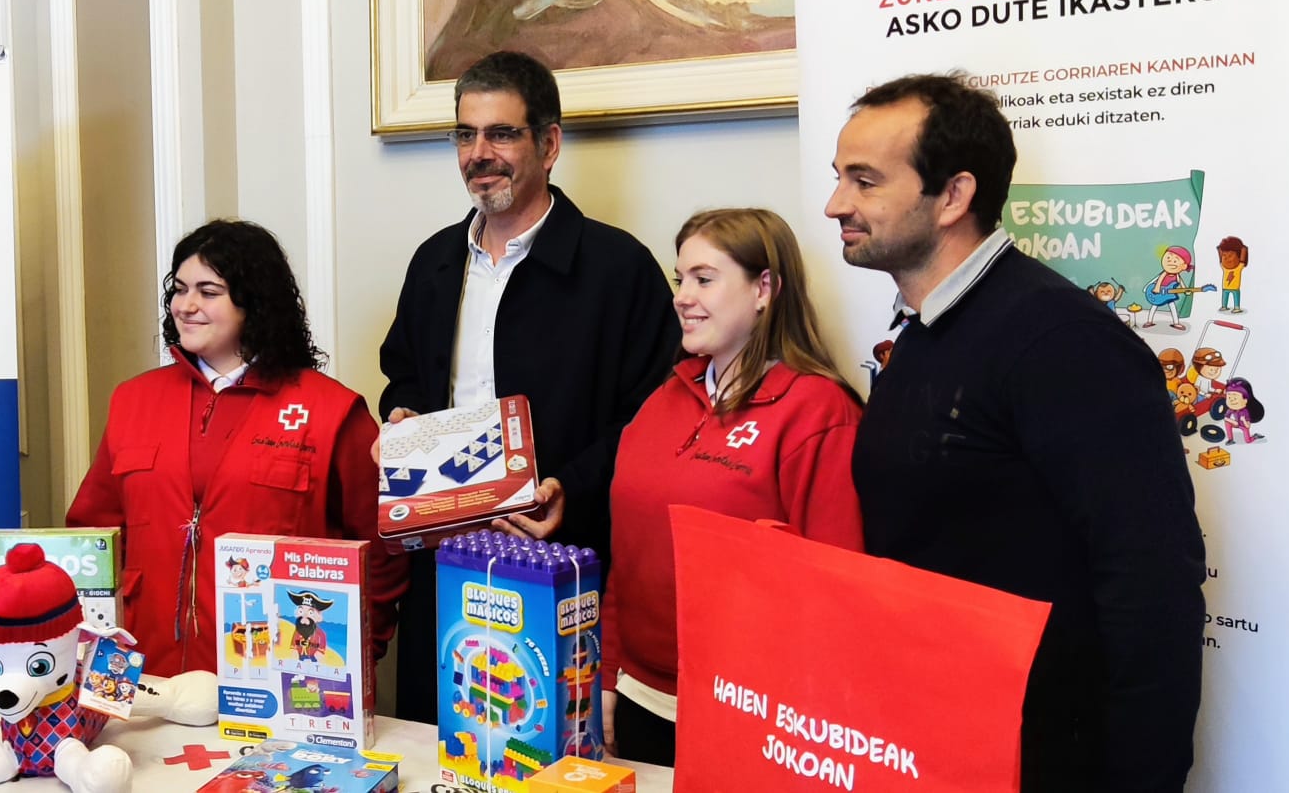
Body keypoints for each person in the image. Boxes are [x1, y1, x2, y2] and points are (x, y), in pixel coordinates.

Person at [824, 72, 1205, 792]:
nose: (836, 203)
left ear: (955, 196)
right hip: (939, 743)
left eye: (865, 181)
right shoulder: (923, 334)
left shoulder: (1063, 342)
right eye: (840, 177)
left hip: (1046, 757)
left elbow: (1152, 586)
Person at [377, 50, 678, 723]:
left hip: (564, 567)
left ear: (548, 144)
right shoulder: (433, 261)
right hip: (445, 565)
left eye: (501, 133)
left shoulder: (618, 268)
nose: (479, 154)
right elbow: (403, 375)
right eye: (465, 134)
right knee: (441, 753)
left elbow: (654, 419)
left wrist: (570, 485)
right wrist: (400, 416)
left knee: (545, 756)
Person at [66, 220, 407, 677]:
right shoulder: (133, 400)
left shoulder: (332, 411)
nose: (186, 306)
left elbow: (383, 550)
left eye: (209, 291)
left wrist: (355, 657)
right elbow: (93, 538)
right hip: (143, 673)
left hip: (279, 677)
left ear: (254, 303)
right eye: (180, 289)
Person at [599, 208, 864, 766]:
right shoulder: (662, 401)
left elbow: (838, 593)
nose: (681, 296)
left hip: (750, 708)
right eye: (680, 280)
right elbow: (629, 558)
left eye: (704, 278)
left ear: (764, 287)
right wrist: (606, 677)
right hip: (641, 696)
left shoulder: (817, 412)